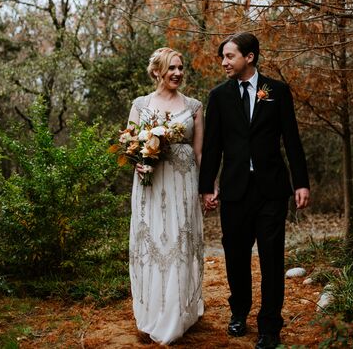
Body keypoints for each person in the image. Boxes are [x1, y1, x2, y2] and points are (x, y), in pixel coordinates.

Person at [199, 32, 310, 349]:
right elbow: (212, 146)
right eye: (222, 57)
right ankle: (239, 311)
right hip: (235, 191)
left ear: (249, 57)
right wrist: (207, 186)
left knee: (272, 259)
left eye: (229, 56)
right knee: (235, 256)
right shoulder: (218, 97)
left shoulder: (277, 91)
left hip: (271, 190)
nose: (224, 62)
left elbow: (291, 139)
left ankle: (270, 326)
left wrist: (301, 182)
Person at [127, 47, 205, 344]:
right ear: (157, 71)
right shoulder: (140, 104)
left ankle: (179, 314)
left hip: (183, 184)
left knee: (179, 241)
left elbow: (200, 152)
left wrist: (209, 187)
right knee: (153, 242)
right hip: (151, 184)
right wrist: (138, 163)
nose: (178, 73)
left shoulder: (194, 106)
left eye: (180, 68)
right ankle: (153, 313)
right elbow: (130, 146)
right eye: (172, 68)